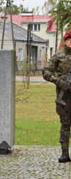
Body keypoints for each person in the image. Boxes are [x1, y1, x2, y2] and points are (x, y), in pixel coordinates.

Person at [43, 30, 71, 163]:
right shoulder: (58, 56)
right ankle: (65, 153)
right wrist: (60, 82)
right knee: (65, 125)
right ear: (65, 41)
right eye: (69, 39)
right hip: (64, 98)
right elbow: (46, 72)